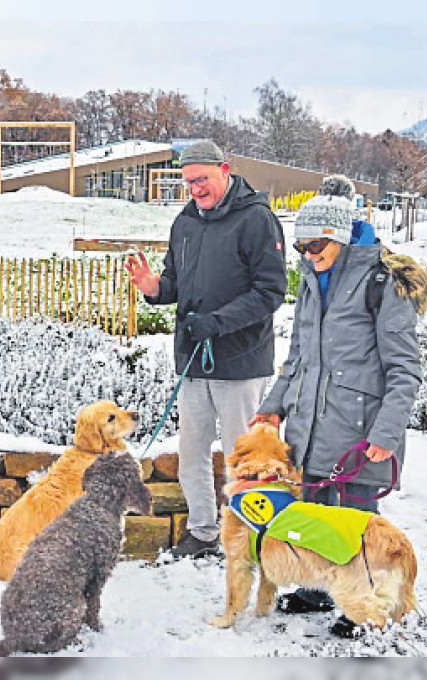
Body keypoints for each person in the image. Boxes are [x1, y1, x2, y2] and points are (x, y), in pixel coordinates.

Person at [248, 175, 426, 624]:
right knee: (313, 519)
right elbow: (299, 357)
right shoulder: (311, 281)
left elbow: (404, 369)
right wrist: (274, 405)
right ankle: (318, 590)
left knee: (354, 524)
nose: (308, 255)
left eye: (316, 246)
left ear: (340, 237)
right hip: (309, 426)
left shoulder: (383, 284)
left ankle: (363, 607)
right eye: (302, 247)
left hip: (359, 430)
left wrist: (386, 432)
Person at [125, 140, 288, 558]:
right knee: (192, 453)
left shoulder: (256, 219)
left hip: (241, 361)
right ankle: (202, 531)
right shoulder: (185, 222)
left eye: (202, 179)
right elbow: (175, 283)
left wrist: (218, 323)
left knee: (245, 459)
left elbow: (270, 292)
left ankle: (252, 537)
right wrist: (154, 289)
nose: (195, 189)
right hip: (194, 357)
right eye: (189, 182)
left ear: (225, 170)